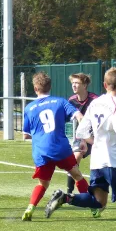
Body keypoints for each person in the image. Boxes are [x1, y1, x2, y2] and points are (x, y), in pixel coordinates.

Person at [45, 67, 116, 231]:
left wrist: (92, 142)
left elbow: (81, 131)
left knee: (99, 202)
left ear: (104, 84)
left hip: (97, 162)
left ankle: (66, 198)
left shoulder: (95, 103)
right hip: (113, 162)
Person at [21, 72, 90, 221]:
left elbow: (25, 134)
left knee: (43, 184)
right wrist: (83, 137)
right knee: (77, 175)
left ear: (35, 88)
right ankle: (93, 207)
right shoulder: (60, 102)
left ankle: (30, 208)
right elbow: (79, 116)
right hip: (61, 149)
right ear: (50, 87)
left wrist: (39, 134)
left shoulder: (29, 108)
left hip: (41, 151)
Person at [67, 73, 98, 196]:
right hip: (81, 136)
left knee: (103, 165)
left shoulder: (95, 100)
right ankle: (69, 191)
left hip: (96, 137)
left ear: (85, 85)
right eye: (73, 83)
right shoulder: (71, 100)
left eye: (77, 83)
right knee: (74, 160)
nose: (74, 85)